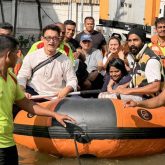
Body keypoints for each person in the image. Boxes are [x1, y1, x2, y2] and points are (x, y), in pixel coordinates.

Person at [0, 35, 75, 165]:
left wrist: (54, 114)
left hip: (8, 142)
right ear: (8, 55)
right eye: (17, 52)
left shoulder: (11, 77)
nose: (19, 56)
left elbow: (26, 103)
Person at [17, 24, 77, 99]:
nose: (51, 41)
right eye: (48, 38)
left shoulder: (66, 60)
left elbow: (72, 79)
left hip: (56, 99)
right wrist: (22, 91)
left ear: (59, 39)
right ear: (42, 39)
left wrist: (67, 89)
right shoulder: (31, 57)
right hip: (34, 96)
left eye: (55, 38)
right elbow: (22, 76)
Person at [112, 27, 165, 101]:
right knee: (112, 91)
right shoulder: (139, 56)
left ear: (143, 41)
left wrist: (128, 91)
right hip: (138, 95)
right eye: (129, 41)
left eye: (135, 40)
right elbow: (139, 79)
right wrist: (123, 86)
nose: (132, 43)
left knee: (104, 97)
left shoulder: (151, 60)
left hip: (149, 100)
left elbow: (155, 87)